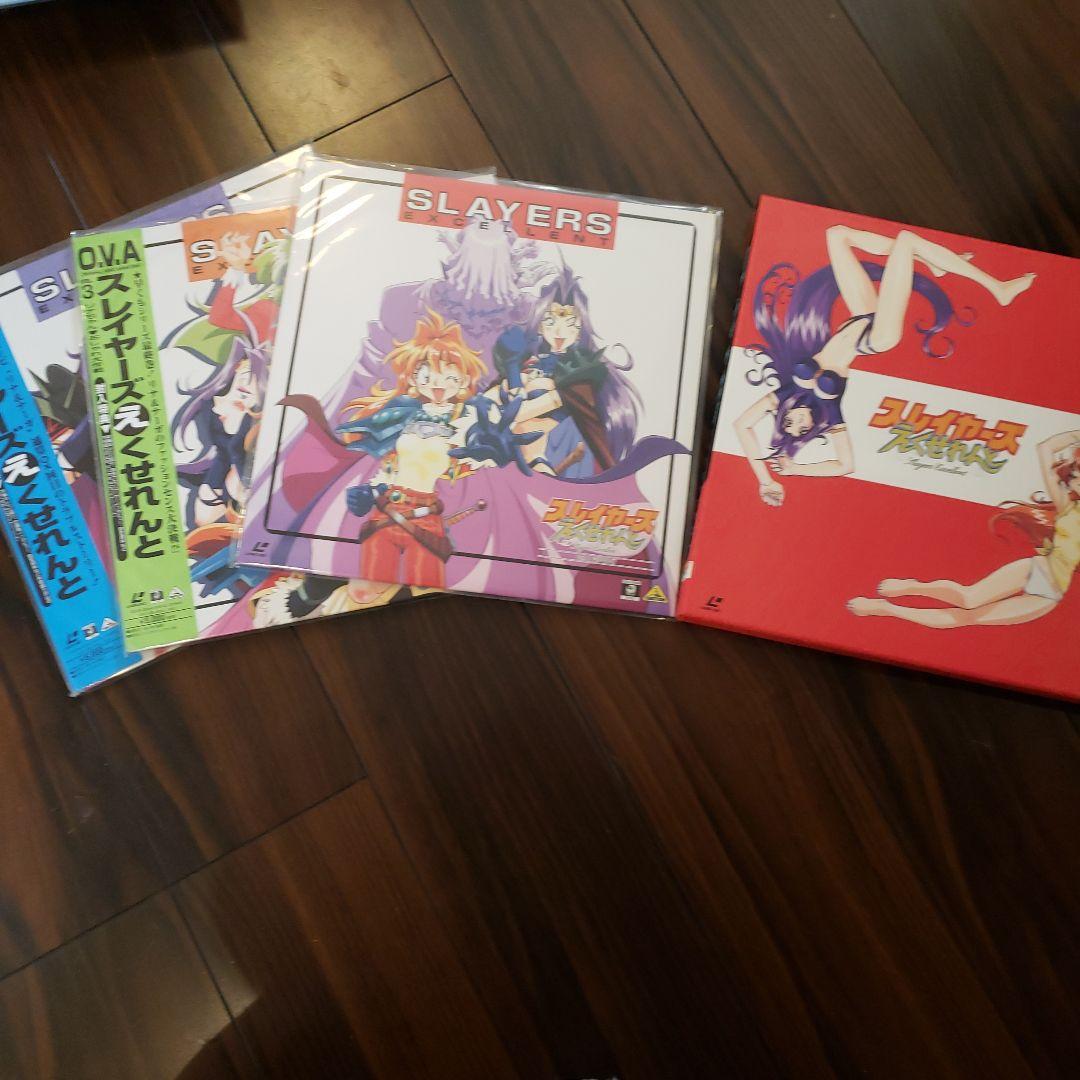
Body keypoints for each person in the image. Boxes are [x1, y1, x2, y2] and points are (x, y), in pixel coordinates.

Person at [734, 225, 1035, 507]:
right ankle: (997, 288)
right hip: (876, 337)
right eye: (803, 429)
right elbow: (845, 465)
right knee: (906, 240)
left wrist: (762, 476)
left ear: (784, 416)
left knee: (837, 235)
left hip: (859, 317)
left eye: (789, 423)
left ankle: (932, 262)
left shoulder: (786, 393)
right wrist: (786, 474)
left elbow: (742, 426)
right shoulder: (829, 412)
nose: (799, 422)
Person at [849, 431, 1080, 627]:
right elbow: (1045, 448)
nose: (1076, 481)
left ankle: (886, 609)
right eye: (1076, 476)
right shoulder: (1067, 507)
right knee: (969, 598)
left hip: (1051, 593)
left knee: (966, 618)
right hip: (1040, 568)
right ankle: (915, 587)